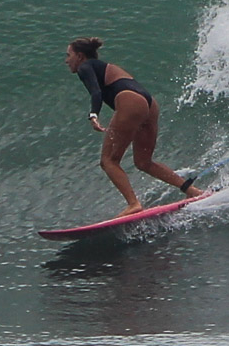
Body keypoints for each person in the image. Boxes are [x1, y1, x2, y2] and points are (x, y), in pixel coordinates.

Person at [65, 36, 204, 216]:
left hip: (131, 101)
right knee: (143, 162)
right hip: (149, 102)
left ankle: (133, 204)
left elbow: (96, 92)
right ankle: (192, 190)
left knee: (108, 161)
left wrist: (93, 115)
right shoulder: (106, 67)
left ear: (80, 56)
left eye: (69, 55)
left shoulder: (85, 67)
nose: (66, 60)